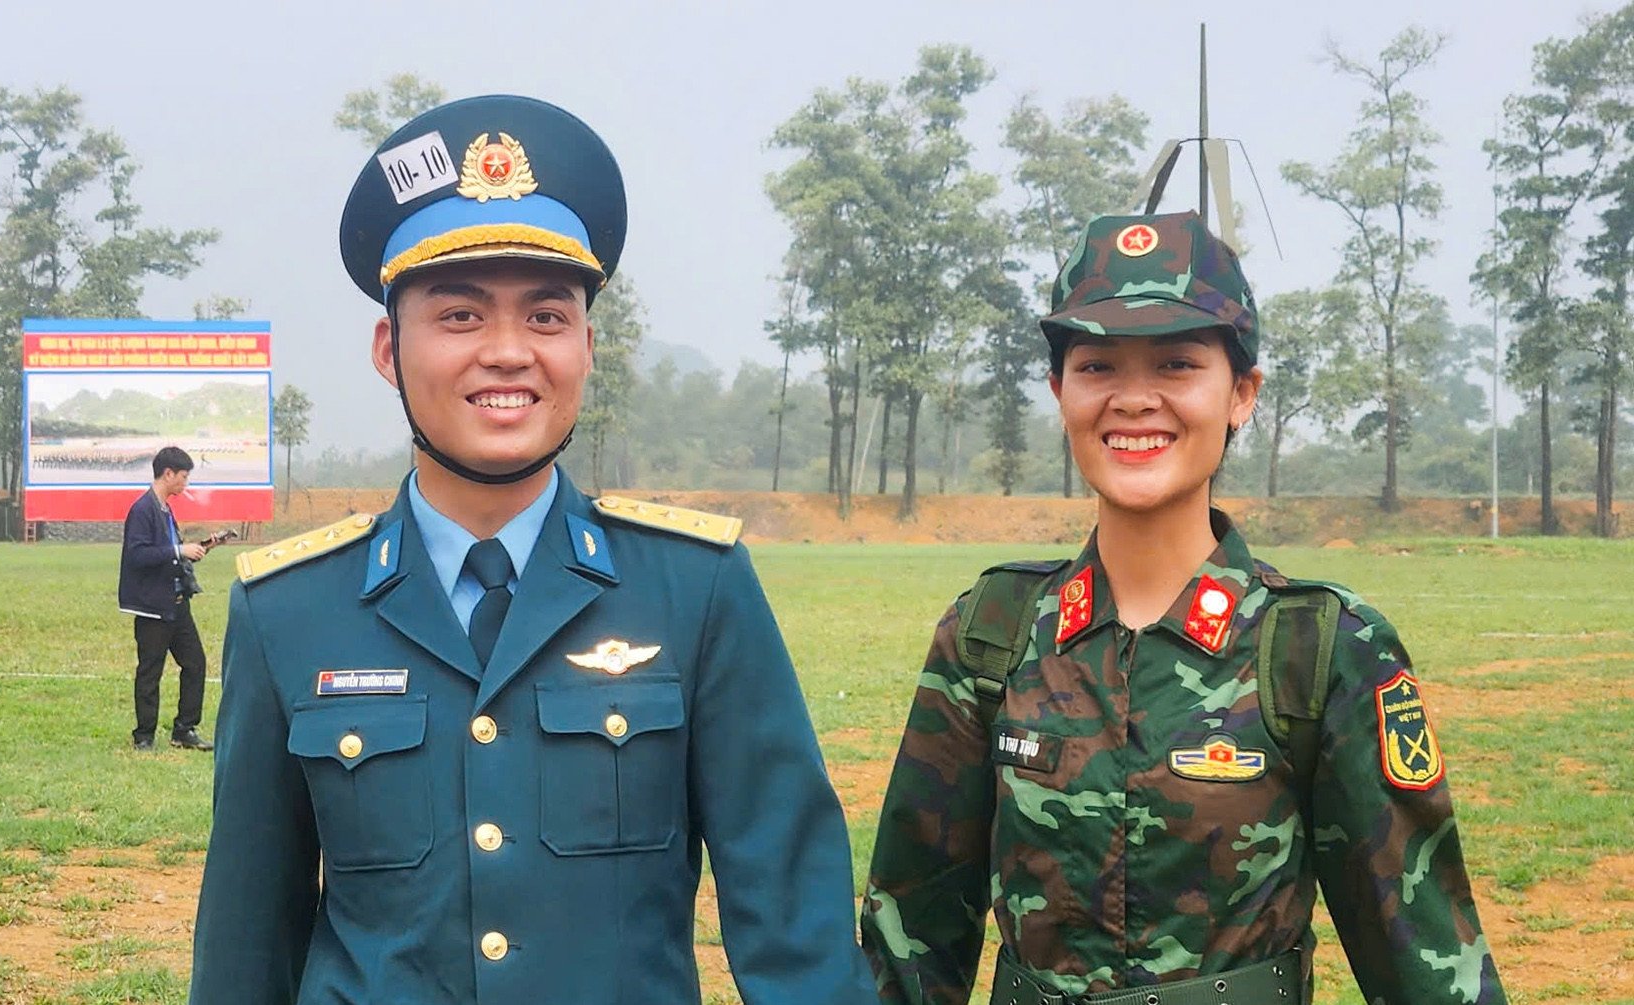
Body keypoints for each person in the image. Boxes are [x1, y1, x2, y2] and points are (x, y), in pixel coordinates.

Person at [187, 95, 873, 1005]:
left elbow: (793, 918)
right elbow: (247, 939)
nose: (508, 352)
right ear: (391, 350)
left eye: (547, 317)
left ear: (588, 345)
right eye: (461, 317)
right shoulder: (289, 609)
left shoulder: (693, 586)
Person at [860, 212, 1508, 1005]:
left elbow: (1426, 957)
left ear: (1241, 393)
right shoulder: (991, 635)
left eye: (1176, 363)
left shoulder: (1318, 647)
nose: (1135, 400)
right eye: (1097, 366)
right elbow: (909, 935)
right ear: (1060, 390)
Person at [117, 445, 212, 752]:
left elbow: (169, 553)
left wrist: (192, 551)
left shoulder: (165, 509)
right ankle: (144, 736)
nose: (185, 483)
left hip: (177, 603)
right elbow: (137, 555)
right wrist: (177, 551)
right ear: (168, 474)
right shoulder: (143, 510)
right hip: (152, 607)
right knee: (150, 671)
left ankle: (184, 729)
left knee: (195, 663)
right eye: (183, 477)